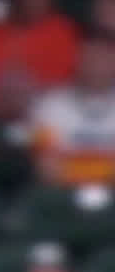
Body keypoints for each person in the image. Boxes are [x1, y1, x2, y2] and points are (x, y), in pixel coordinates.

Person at [28, 34, 115, 186]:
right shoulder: (48, 106)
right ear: (77, 60)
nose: (97, 66)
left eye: (104, 59)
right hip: (63, 192)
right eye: (91, 58)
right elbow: (45, 167)